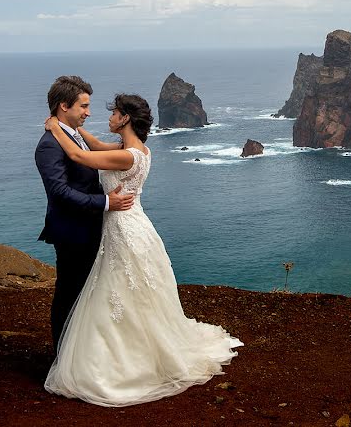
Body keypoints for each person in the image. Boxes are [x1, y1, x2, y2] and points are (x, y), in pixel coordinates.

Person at [42, 93, 242, 406]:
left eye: (114, 113)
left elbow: (81, 158)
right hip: (131, 225)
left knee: (122, 289)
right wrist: (75, 132)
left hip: (124, 228)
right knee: (130, 291)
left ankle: (128, 358)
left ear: (125, 119)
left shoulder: (127, 156)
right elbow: (93, 146)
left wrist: (56, 128)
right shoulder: (135, 149)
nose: (107, 117)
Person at [35, 76, 135, 351]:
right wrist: (105, 203)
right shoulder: (49, 145)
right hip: (72, 231)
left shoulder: (74, 136)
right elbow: (59, 192)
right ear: (64, 106)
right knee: (69, 293)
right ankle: (62, 356)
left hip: (90, 228)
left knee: (88, 293)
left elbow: (97, 152)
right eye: (84, 106)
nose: (88, 112)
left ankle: (82, 352)